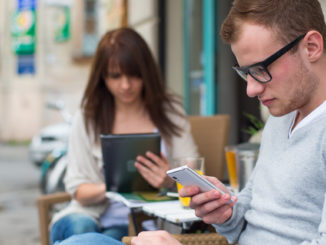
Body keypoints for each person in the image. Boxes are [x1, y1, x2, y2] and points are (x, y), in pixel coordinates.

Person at [132, 0, 326, 244]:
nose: (251, 89)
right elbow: (250, 219)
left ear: (311, 47)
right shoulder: (282, 116)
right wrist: (227, 212)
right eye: (246, 73)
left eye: (261, 68)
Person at [49, 27, 199, 244]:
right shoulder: (88, 118)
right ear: (102, 76)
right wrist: (114, 186)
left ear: (146, 72)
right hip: (88, 216)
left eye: (134, 75)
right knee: (82, 229)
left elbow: (192, 165)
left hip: (143, 224)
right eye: (115, 76)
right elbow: (79, 191)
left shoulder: (169, 111)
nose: (126, 85)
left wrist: (169, 179)